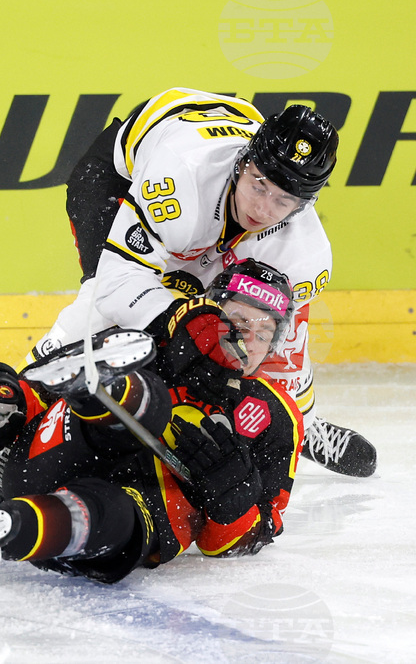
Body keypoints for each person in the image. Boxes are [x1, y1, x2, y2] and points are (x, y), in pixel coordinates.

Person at [30, 88, 375, 478]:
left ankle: (308, 427)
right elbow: (117, 283)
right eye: (259, 184)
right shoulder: (179, 177)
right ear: (241, 162)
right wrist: (184, 323)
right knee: (102, 301)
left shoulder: (304, 253)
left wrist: (291, 421)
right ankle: (28, 410)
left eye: (283, 201)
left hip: (203, 185)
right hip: (119, 176)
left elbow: (283, 348)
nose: (263, 209)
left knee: (251, 319)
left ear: (304, 205)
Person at [0, 259, 304, 584]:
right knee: (143, 399)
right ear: (212, 312)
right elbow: (42, 387)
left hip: (112, 530)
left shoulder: (277, 417)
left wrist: (231, 500)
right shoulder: (157, 339)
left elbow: (245, 538)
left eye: (263, 331)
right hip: (60, 453)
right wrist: (4, 394)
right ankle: (86, 401)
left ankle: (15, 525)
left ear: (274, 342)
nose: (247, 338)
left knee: (134, 512)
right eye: (237, 320)